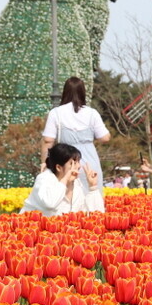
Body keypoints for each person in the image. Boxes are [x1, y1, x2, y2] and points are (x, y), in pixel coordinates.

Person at [43, 76, 111, 212]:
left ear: (65, 92)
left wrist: (45, 163)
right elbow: (105, 138)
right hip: (89, 161)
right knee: (91, 195)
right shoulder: (92, 113)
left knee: (66, 198)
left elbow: (48, 140)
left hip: (65, 159)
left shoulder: (56, 113)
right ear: (83, 92)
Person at [22, 142, 96, 216]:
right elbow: (50, 204)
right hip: (30, 225)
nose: (78, 166)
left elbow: (95, 214)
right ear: (58, 167)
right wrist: (65, 180)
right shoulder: (44, 179)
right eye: (73, 163)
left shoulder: (76, 183)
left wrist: (93, 187)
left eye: (78, 162)